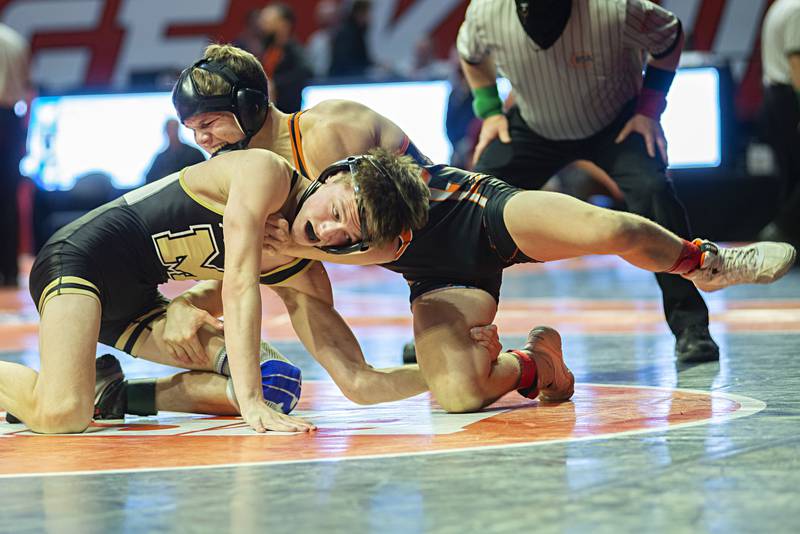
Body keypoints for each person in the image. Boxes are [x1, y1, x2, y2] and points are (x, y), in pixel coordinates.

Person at [159, 43, 794, 419]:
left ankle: (706, 261)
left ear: (243, 107)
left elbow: (376, 235)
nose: (202, 139)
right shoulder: (245, 180)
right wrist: (202, 299)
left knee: (610, 227)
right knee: (457, 393)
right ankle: (536, 365)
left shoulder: (325, 131)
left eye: (209, 122)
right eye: (194, 129)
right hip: (431, 273)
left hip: (466, 212)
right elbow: (273, 267)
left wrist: (295, 246)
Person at [0, 138, 436, 433]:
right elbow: (240, 285)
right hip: (79, 263)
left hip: (135, 301)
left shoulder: (304, 271)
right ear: (332, 176)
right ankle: (67, 391)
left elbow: (358, 381)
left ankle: (114, 392)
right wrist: (249, 403)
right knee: (62, 414)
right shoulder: (265, 173)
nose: (326, 232)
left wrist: (445, 373)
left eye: (347, 237)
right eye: (336, 211)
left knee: (275, 385)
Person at [455, 0, 720, 363]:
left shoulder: (617, 8)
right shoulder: (486, 12)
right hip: (536, 125)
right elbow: (470, 55)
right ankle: (453, 328)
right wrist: (490, 112)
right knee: (474, 204)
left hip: (615, 121)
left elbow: (669, 37)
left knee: (653, 192)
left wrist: (649, 110)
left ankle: (691, 327)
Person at [757, 0, 800, 248]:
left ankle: (787, 245)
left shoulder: (780, 6)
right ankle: (780, 232)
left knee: (791, 176)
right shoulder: (796, 9)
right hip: (788, 98)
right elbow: (797, 63)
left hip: (776, 96)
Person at [0, 23, 29, 287]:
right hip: (10, 120)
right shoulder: (14, 40)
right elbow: (25, 87)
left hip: (7, 117)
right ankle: (9, 271)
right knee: (8, 200)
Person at [256, 3, 312, 113]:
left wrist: (275, 84)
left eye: (267, 21)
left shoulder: (296, 53)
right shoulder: (267, 51)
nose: (261, 25)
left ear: (283, 24)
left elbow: (304, 75)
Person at [144, 119, 205, 184]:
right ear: (166, 131)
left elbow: (204, 175)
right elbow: (149, 180)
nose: (172, 132)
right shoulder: (160, 158)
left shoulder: (194, 153)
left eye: (174, 129)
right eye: (169, 129)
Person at [328, 0, 373, 77]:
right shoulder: (347, 34)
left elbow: (362, 59)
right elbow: (344, 62)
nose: (370, 17)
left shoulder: (359, 32)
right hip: (342, 80)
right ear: (359, 14)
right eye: (367, 13)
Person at [305, 0, 340, 78]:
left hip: (342, 81)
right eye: (324, 17)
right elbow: (309, 66)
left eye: (331, 16)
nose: (328, 20)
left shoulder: (344, 38)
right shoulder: (315, 40)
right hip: (318, 82)